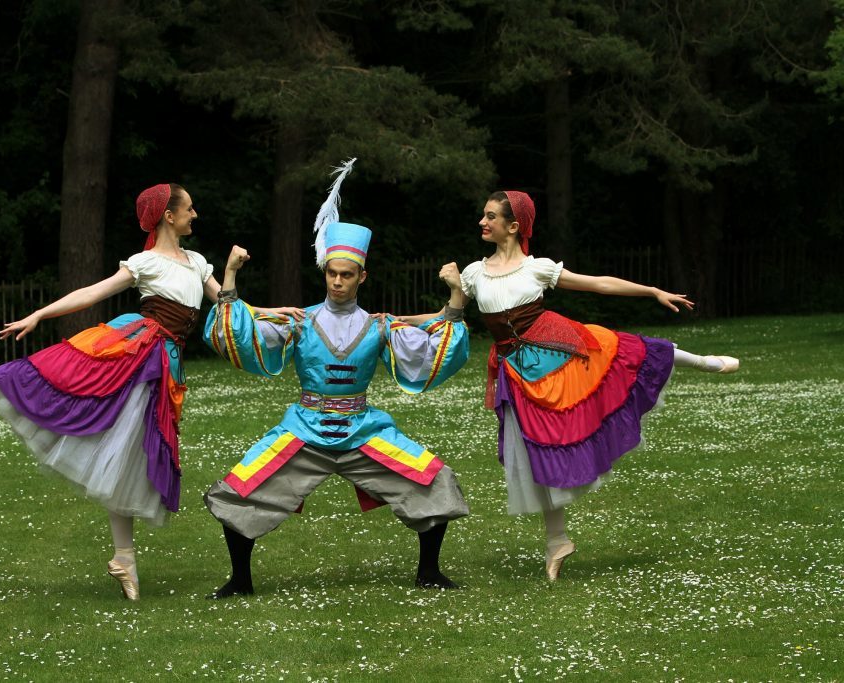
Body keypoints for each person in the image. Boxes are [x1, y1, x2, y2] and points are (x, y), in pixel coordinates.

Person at [0, 183, 296, 601]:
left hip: (164, 369)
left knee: (126, 460)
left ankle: (125, 560)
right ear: (168, 217)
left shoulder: (196, 262)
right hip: (132, 350)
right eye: (190, 209)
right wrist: (40, 313)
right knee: (51, 372)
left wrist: (269, 310)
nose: (196, 215)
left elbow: (228, 306)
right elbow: (92, 292)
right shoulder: (146, 262)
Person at [401, 190, 739, 582]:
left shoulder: (537, 268)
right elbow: (447, 316)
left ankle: (702, 361)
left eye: (490, 216)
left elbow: (599, 285)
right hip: (517, 373)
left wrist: (651, 291)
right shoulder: (474, 273)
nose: (482, 222)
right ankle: (557, 541)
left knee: (625, 351)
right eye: (483, 215)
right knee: (535, 452)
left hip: (557, 353)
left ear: (512, 226)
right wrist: (395, 317)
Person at [201, 160, 471, 597]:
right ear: (323, 273)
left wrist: (456, 297)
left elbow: (434, 347)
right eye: (332, 273)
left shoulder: (381, 325)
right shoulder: (298, 321)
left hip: (362, 430)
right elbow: (238, 335)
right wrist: (230, 275)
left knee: (432, 478)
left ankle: (429, 573)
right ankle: (241, 581)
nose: (338, 282)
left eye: (347, 275)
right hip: (305, 428)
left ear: (362, 277)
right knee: (241, 488)